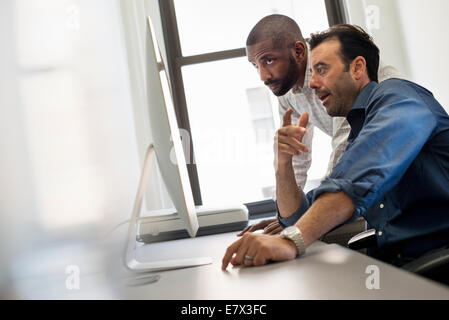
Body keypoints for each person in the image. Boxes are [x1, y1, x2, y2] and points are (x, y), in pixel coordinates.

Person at [222, 24, 449, 270]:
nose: (312, 83)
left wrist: (291, 241)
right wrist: (283, 165)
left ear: (358, 68)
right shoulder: (359, 125)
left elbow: (352, 180)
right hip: (395, 263)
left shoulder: (400, 98)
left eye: (321, 70)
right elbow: (296, 218)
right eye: (312, 72)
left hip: (433, 261)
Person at [238, 14, 403, 236]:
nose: (262, 76)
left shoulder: (338, 67)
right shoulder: (287, 90)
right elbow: (296, 159)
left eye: (268, 60)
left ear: (298, 51)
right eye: (254, 65)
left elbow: (345, 149)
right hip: (376, 188)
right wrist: (287, 215)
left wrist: (307, 218)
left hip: (406, 184)